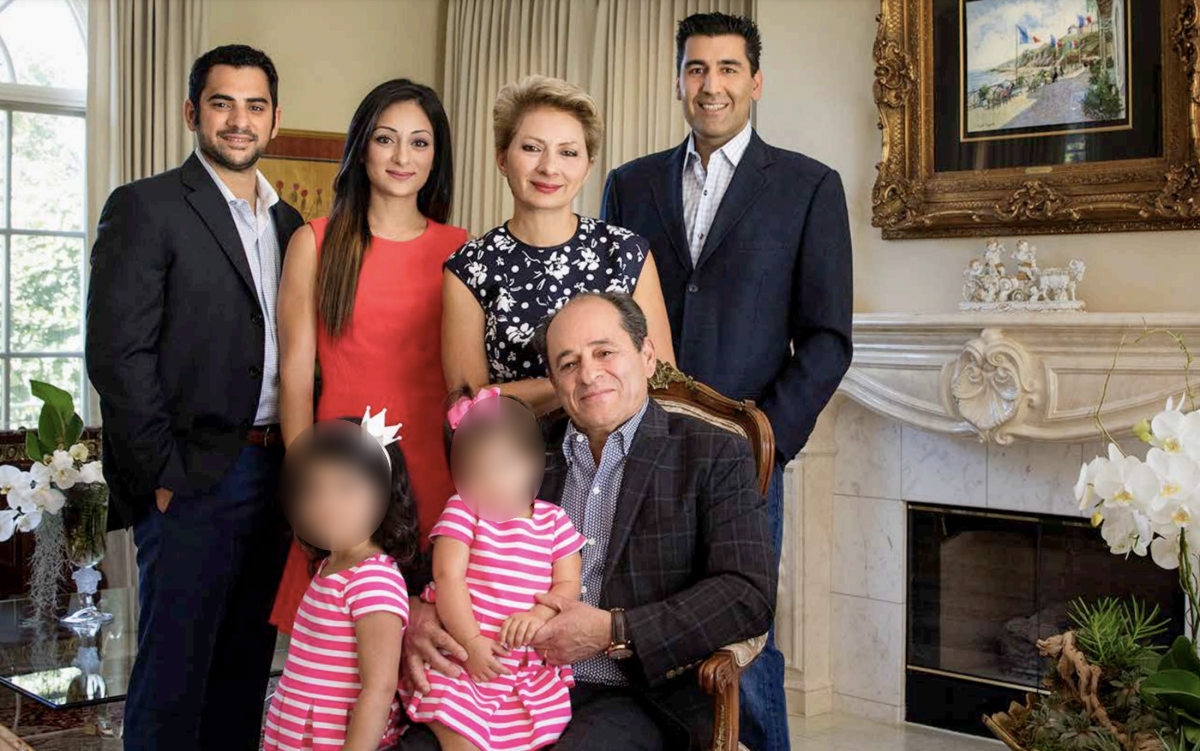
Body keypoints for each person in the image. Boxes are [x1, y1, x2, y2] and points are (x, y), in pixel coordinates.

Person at [600, 13, 853, 750]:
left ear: (756, 81)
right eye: (696, 69)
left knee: (743, 637)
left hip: (746, 458)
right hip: (637, 447)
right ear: (680, 80)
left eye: (727, 69)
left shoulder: (809, 187)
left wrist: (761, 439)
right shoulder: (630, 184)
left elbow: (829, 339)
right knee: (642, 628)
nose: (711, 85)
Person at [399, 292, 776, 750]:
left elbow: (747, 593)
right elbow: (436, 561)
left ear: (647, 355)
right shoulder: (523, 453)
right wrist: (417, 614)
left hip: (635, 692)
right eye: (568, 363)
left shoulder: (712, 452)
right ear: (555, 382)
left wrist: (614, 630)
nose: (589, 374)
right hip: (500, 680)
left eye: (604, 352)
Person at [86, 45, 304, 750]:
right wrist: (163, 476)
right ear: (192, 112)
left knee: (245, 670)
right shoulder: (146, 207)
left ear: (274, 118)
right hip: (193, 476)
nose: (239, 121)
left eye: (254, 106)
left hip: (278, 473)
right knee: (174, 676)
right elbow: (118, 357)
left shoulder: (290, 224)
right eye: (221, 103)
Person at [270, 80, 467, 635]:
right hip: (343, 469)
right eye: (386, 139)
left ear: (437, 155)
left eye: (420, 143)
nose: (403, 157)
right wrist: (308, 480)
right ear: (362, 148)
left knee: (435, 657)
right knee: (339, 658)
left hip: (440, 467)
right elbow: (293, 379)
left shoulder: (461, 246)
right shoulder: (316, 242)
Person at [441, 75, 675, 416]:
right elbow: (469, 406)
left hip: (624, 460)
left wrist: (520, 392)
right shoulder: (469, 268)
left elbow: (663, 380)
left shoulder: (626, 254)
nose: (549, 167)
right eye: (532, 148)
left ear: (588, 166)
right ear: (502, 158)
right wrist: (587, 381)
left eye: (568, 152)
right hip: (513, 461)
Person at [403, 389, 585, 751]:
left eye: (503, 466)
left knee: (533, 735)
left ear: (532, 464)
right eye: (475, 472)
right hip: (462, 657)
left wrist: (541, 612)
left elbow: (568, 583)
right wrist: (470, 642)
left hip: (525, 666)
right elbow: (447, 578)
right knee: (460, 732)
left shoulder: (554, 521)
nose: (489, 482)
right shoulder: (464, 511)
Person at [264, 414, 416, 751]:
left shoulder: (374, 580)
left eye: (345, 489)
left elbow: (378, 688)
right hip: (302, 733)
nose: (327, 504)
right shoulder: (329, 565)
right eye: (314, 490)